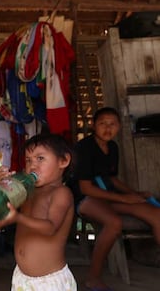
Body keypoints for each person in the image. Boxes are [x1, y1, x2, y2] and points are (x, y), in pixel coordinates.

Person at [71, 106, 160, 291]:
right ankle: (93, 278)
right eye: (102, 123)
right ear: (93, 125)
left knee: (156, 213)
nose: (107, 128)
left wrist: (133, 194)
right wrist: (125, 199)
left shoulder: (112, 147)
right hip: (85, 198)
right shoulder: (84, 147)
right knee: (113, 222)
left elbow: (111, 178)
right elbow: (85, 188)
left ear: (119, 126)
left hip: (108, 194)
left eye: (112, 124)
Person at [0, 134, 77, 291]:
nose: (33, 166)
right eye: (28, 160)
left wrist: (18, 217)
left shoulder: (61, 193)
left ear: (63, 161)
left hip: (49, 283)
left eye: (40, 159)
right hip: (22, 279)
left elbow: (50, 228)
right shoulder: (26, 191)